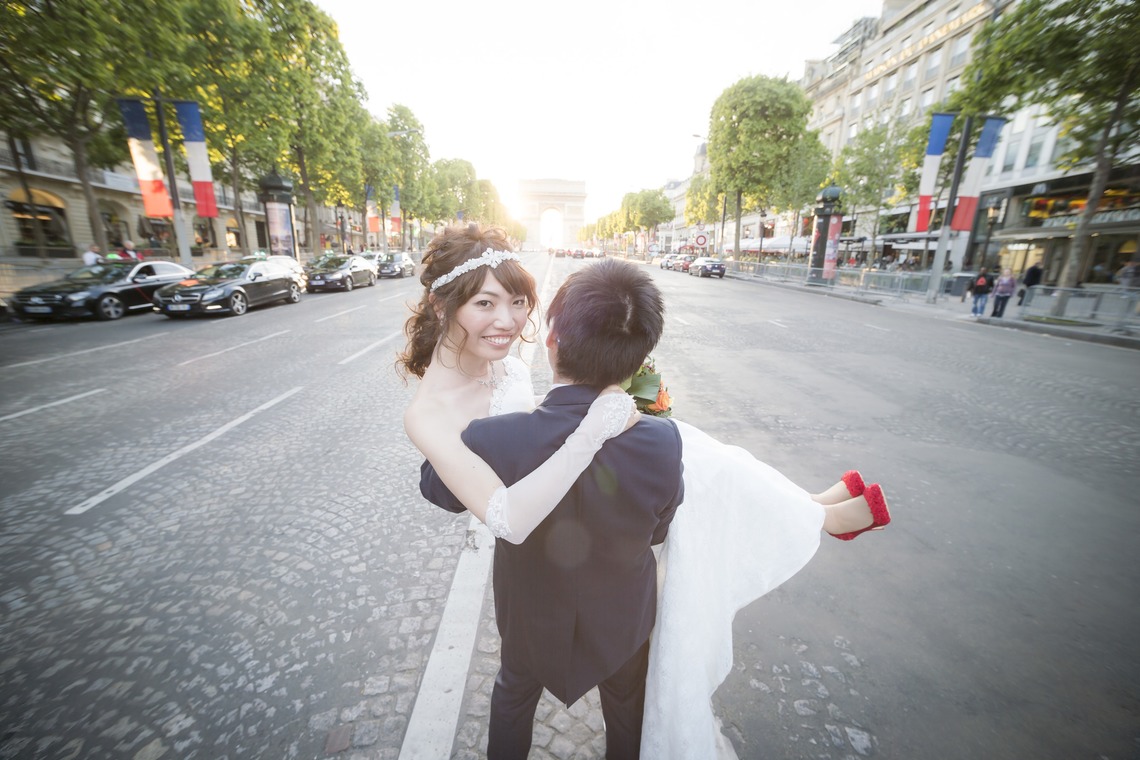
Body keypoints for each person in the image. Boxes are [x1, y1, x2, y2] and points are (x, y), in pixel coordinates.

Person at [403, 223, 890, 759]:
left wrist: (522, 432)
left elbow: (448, 486)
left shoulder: (496, 429)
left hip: (531, 603)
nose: (508, 320)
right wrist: (591, 426)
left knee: (513, 693)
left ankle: (808, 508)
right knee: (685, 453)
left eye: (517, 302)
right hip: (620, 609)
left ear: (552, 339)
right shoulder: (653, 439)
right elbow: (658, 527)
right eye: (486, 303)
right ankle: (808, 511)